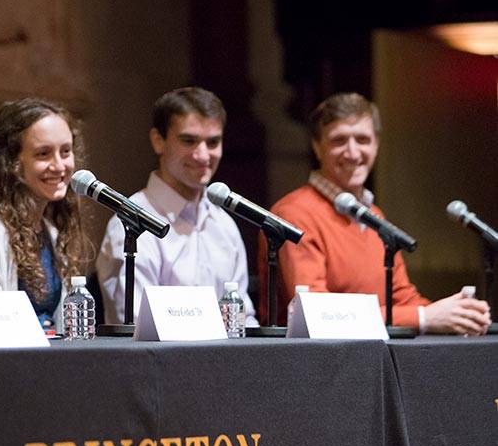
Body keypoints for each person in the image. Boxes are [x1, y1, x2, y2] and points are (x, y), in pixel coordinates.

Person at [264, 92, 490, 334]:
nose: (352, 153)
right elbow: (316, 312)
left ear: (376, 144)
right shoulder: (294, 214)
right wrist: (424, 317)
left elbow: (402, 298)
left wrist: (456, 314)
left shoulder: (373, 215)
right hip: (313, 365)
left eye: (362, 139)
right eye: (339, 141)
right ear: (317, 147)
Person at [95, 87, 256, 323]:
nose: (203, 156)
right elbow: (135, 325)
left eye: (213, 142)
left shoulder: (225, 225)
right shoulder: (130, 224)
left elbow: (243, 319)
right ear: (158, 141)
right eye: (188, 141)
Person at [0, 98, 92, 331]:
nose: (59, 166)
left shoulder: (49, 230)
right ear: (11, 162)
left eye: (65, 151)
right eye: (43, 154)